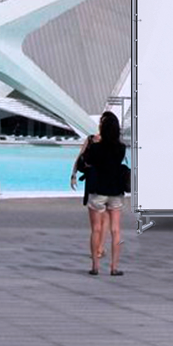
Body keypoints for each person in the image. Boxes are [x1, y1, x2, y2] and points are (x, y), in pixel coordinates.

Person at [70, 111, 127, 276]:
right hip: (116, 191)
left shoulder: (95, 147)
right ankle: (114, 268)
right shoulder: (121, 148)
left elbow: (85, 163)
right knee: (116, 230)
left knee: (96, 229)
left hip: (98, 191)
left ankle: (95, 266)